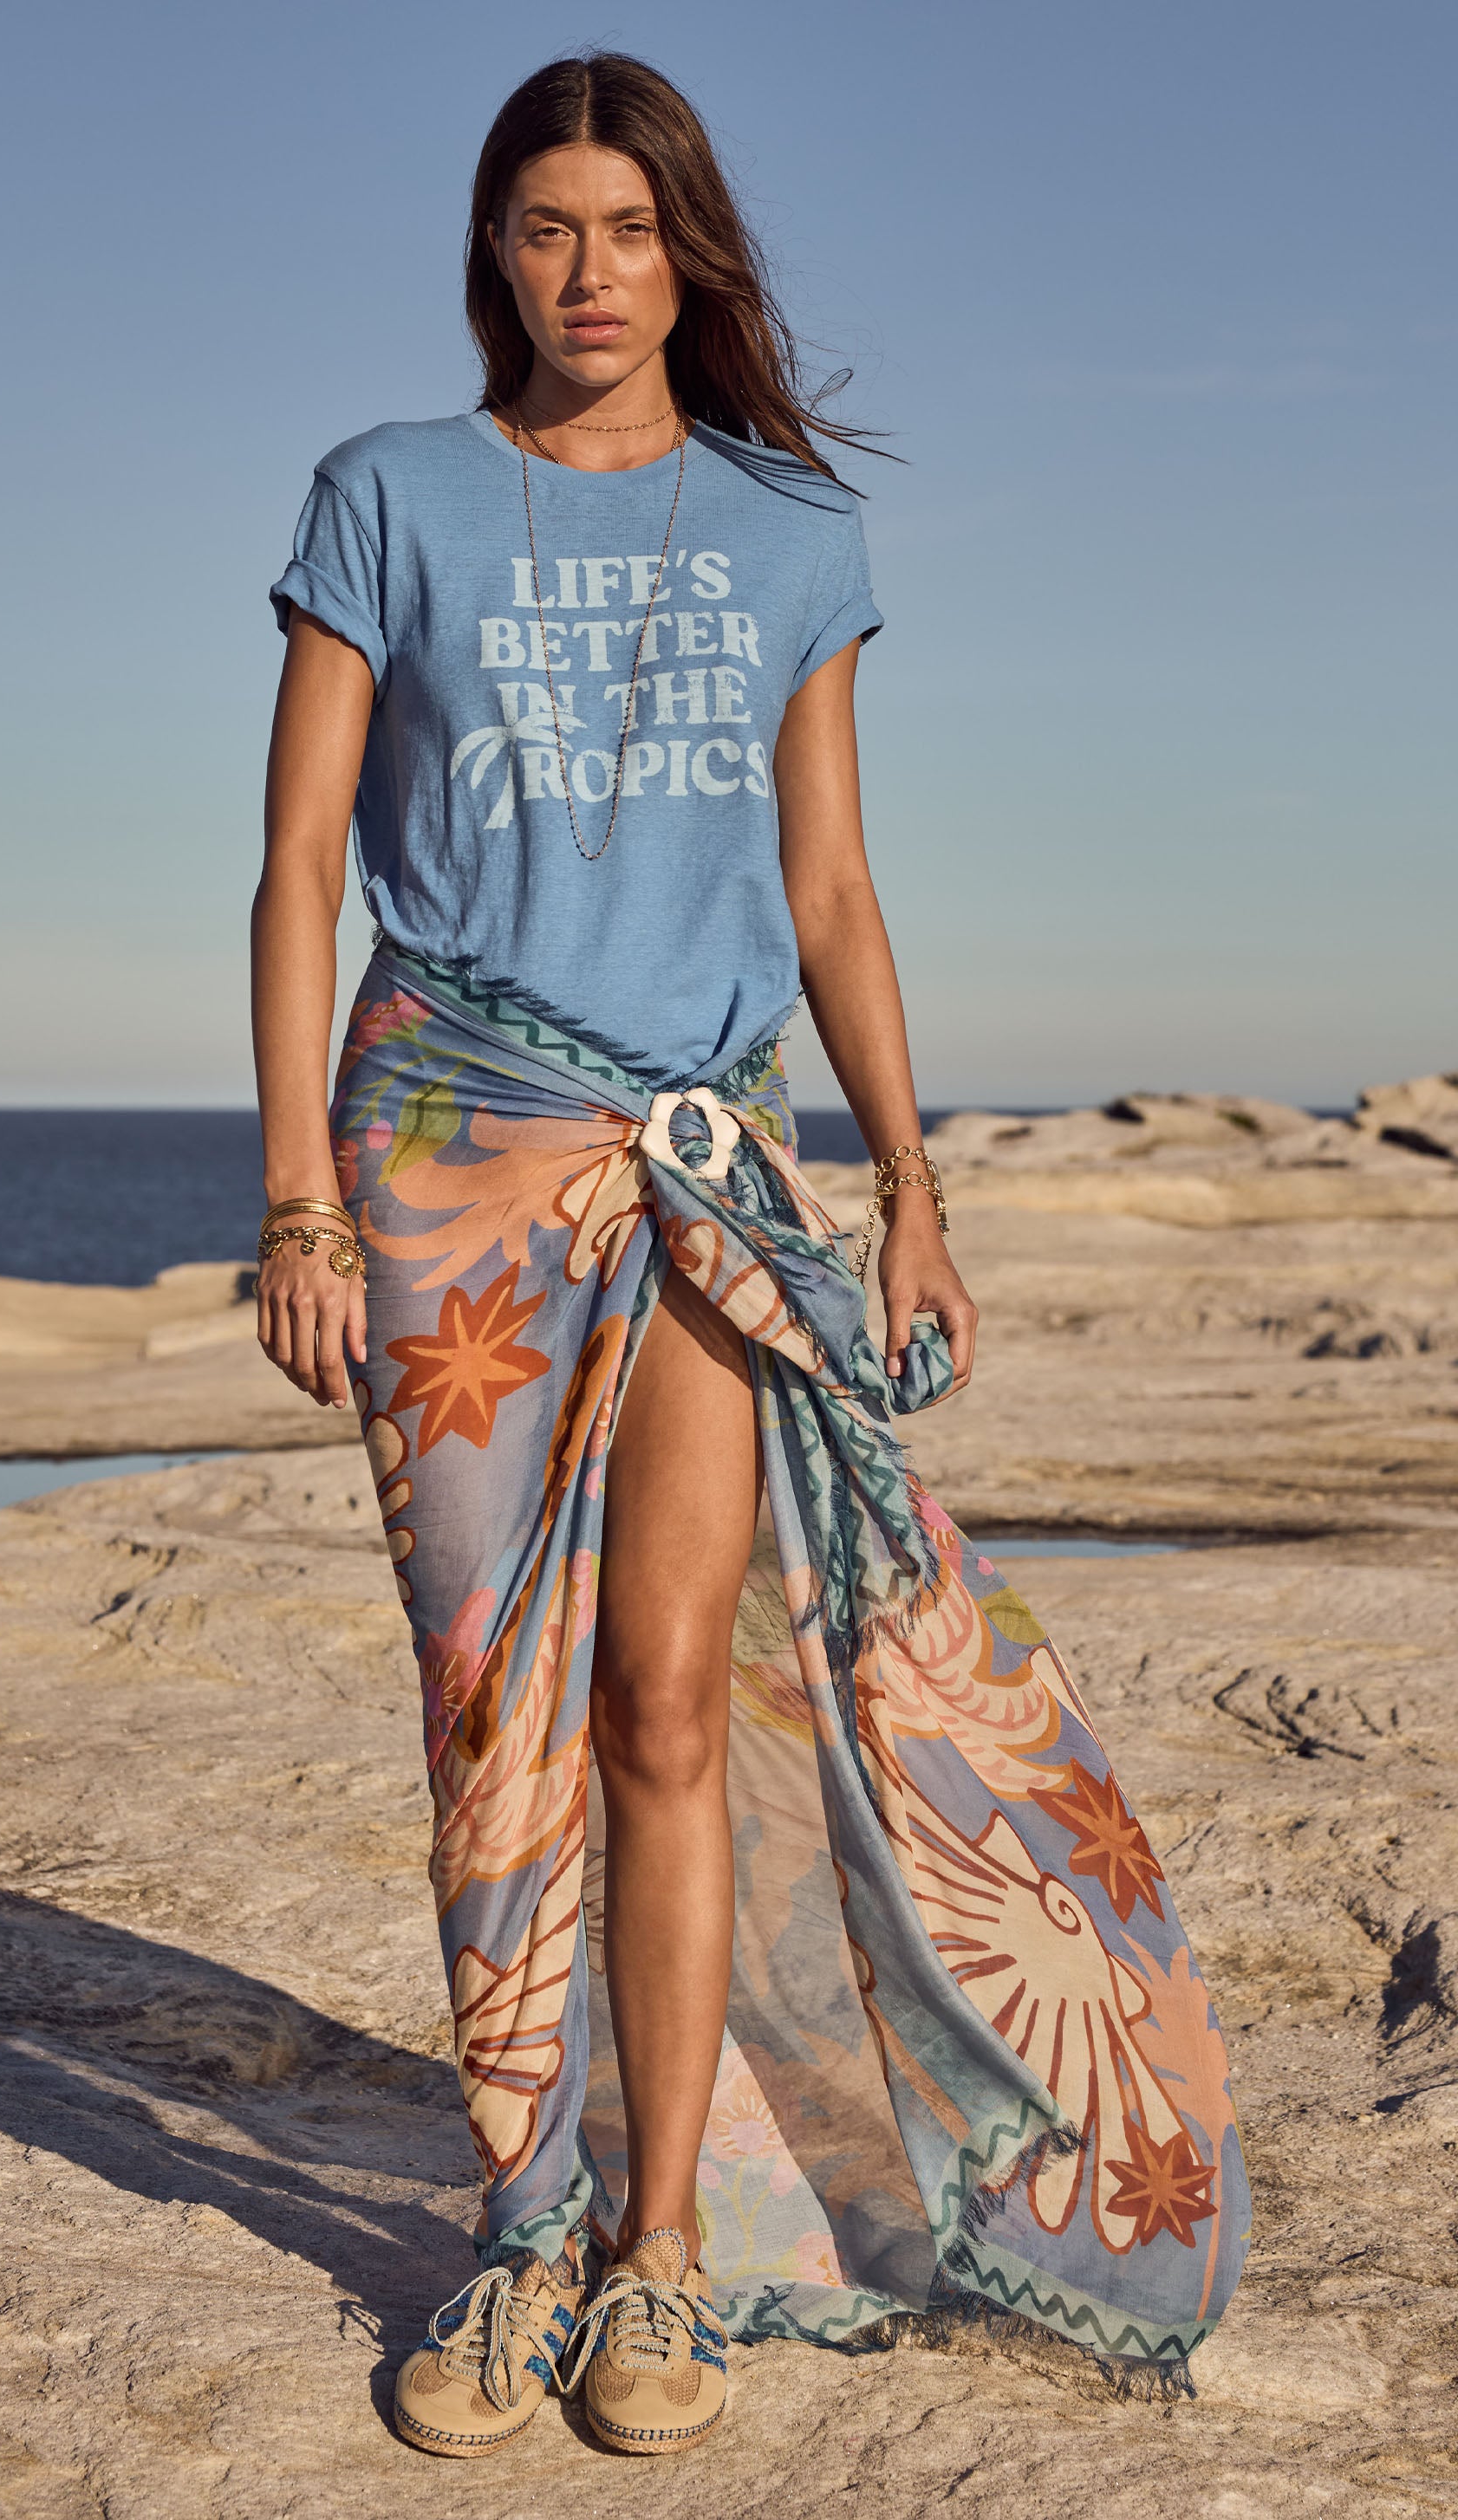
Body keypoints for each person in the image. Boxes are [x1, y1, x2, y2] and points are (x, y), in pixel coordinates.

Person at [253, 50, 1248, 2463]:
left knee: (672, 1698)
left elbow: (829, 891)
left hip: (709, 1161)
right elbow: (298, 870)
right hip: (443, 1157)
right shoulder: (384, 497)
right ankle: (520, 2231)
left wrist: (909, 1176)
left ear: (688, 249)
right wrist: (290, 1188)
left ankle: (665, 2253)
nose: (584, 272)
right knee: (496, 1709)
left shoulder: (793, 534)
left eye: (624, 227)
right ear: (490, 251)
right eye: (540, 228)